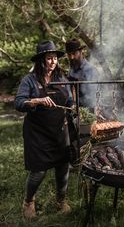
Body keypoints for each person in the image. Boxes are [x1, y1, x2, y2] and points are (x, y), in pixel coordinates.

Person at [15, 40, 73, 219]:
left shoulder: (61, 79)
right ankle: (28, 201)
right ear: (41, 60)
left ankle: (60, 200)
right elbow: (18, 103)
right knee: (39, 171)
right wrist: (37, 101)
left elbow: (69, 100)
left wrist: (75, 108)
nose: (53, 62)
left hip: (59, 131)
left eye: (55, 58)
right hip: (38, 133)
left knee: (63, 167)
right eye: (49, 58)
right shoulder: (30, 80)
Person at [65, 38, 98, 111]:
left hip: (86, 113)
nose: (71, 57)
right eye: (69, 54)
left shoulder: (90, 70)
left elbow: (91, 98)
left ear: (80, 51)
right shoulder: (71, 69)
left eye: (74, 54)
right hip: (72, 111)